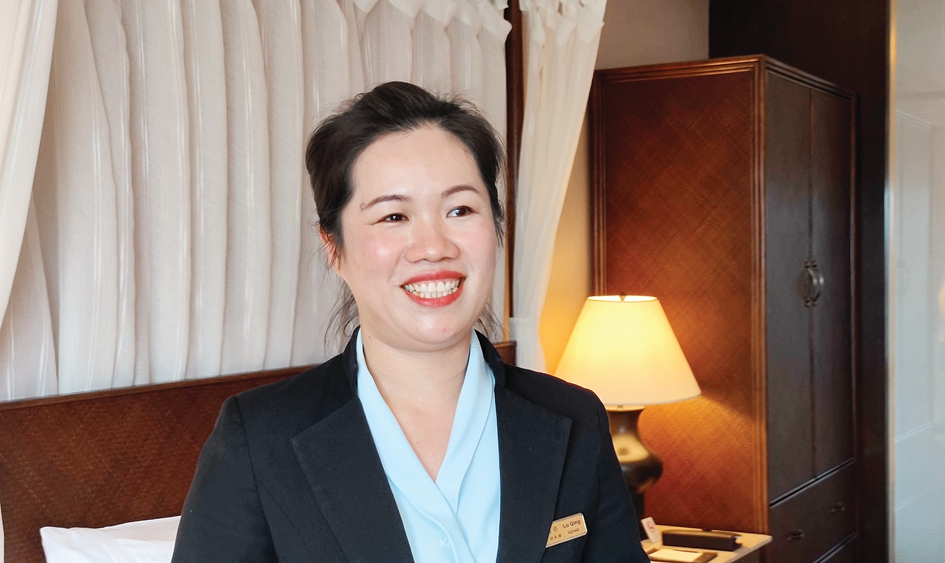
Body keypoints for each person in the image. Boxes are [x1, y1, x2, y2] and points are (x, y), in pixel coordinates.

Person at [171, 81, 647, 563]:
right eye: (394, 217)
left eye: (460, 209)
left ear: (496, 224)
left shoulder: (576, 418)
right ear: (333, 247)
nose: (434, 247)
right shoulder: (260, 439)